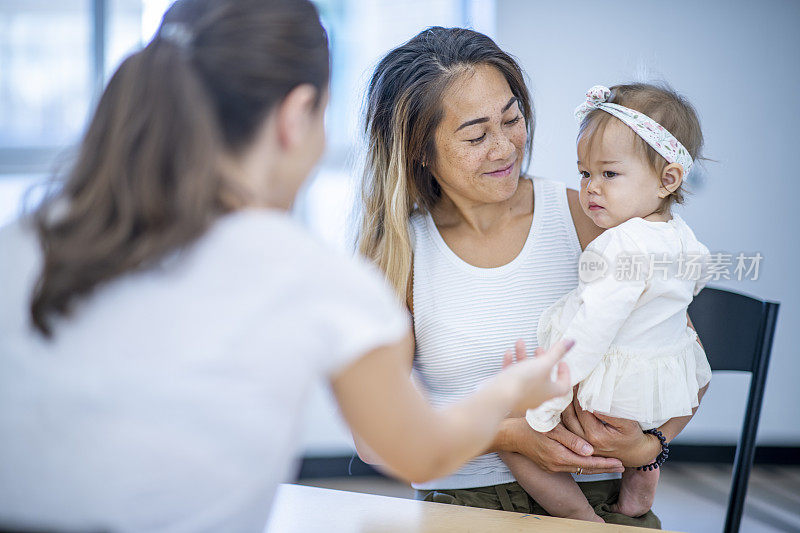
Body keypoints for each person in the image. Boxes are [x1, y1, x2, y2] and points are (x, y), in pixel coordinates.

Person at [0, 2, 573, 531]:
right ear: (297, 114)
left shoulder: (20, 241)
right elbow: (416, 451)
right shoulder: (314, 280)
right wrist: (509, 392)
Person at [356, 27, 708, 528]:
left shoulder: (591, 217)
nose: (505, 148)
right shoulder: (398, 253)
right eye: (476, 136)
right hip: (467, 507)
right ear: (419, 149)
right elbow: (375, 438)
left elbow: (681, 357)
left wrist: (648, 448)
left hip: (606, 501)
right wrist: (508, 435)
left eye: (512, 118)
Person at [506, 83, 713, 523]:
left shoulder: (618, 246)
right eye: (584, 173)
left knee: (517, 438)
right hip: (665, 387)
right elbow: (691, 285)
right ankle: (639, 489)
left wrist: (548, 396)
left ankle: (583, 519)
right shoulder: (683, 237)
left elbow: (592, 331)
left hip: (612, 393)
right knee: (639, 450)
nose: (591, 189)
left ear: (668, 179)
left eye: (609, 174)